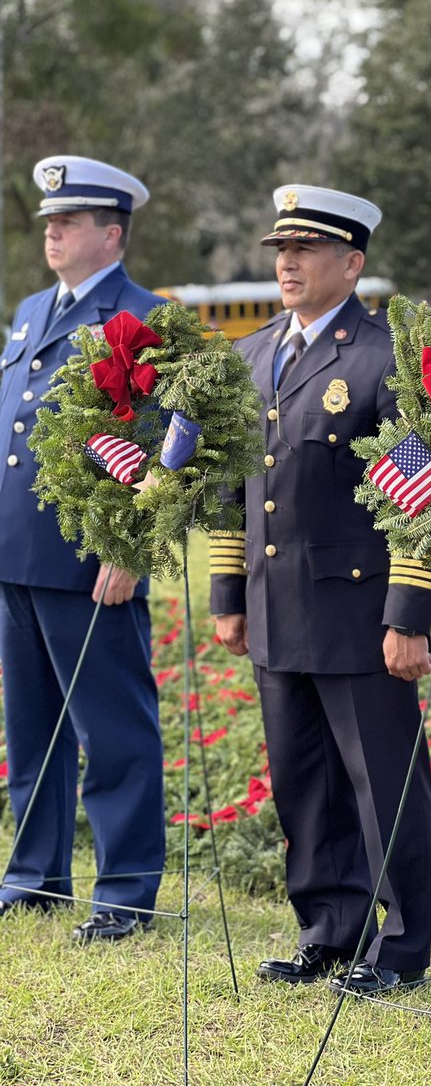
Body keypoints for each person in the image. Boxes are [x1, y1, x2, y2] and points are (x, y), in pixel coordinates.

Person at [210, 185, 431, 995]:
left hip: (359, 615)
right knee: (303, 785)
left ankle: (401, 950)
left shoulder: (382, 360)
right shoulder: (249, 355)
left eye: (305, 250)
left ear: (353, 262)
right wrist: (228, 596)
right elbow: (235, 489)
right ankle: (329, 932)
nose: (288, 263)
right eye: (280, 250)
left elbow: (422, 496)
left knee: (384, 786)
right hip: (276, 609)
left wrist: (408, 615)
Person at [0, 155, 166, 942]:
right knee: (33, 730)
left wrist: (130, 546)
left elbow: (171, 448)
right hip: (17, 552)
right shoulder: (34, 310)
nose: (53, 232)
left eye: (68, 222)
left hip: (90, 560)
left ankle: (126, 893)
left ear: (112, 231)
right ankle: (35, 877)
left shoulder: (145, 318)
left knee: (114, 733)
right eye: (49, 222)